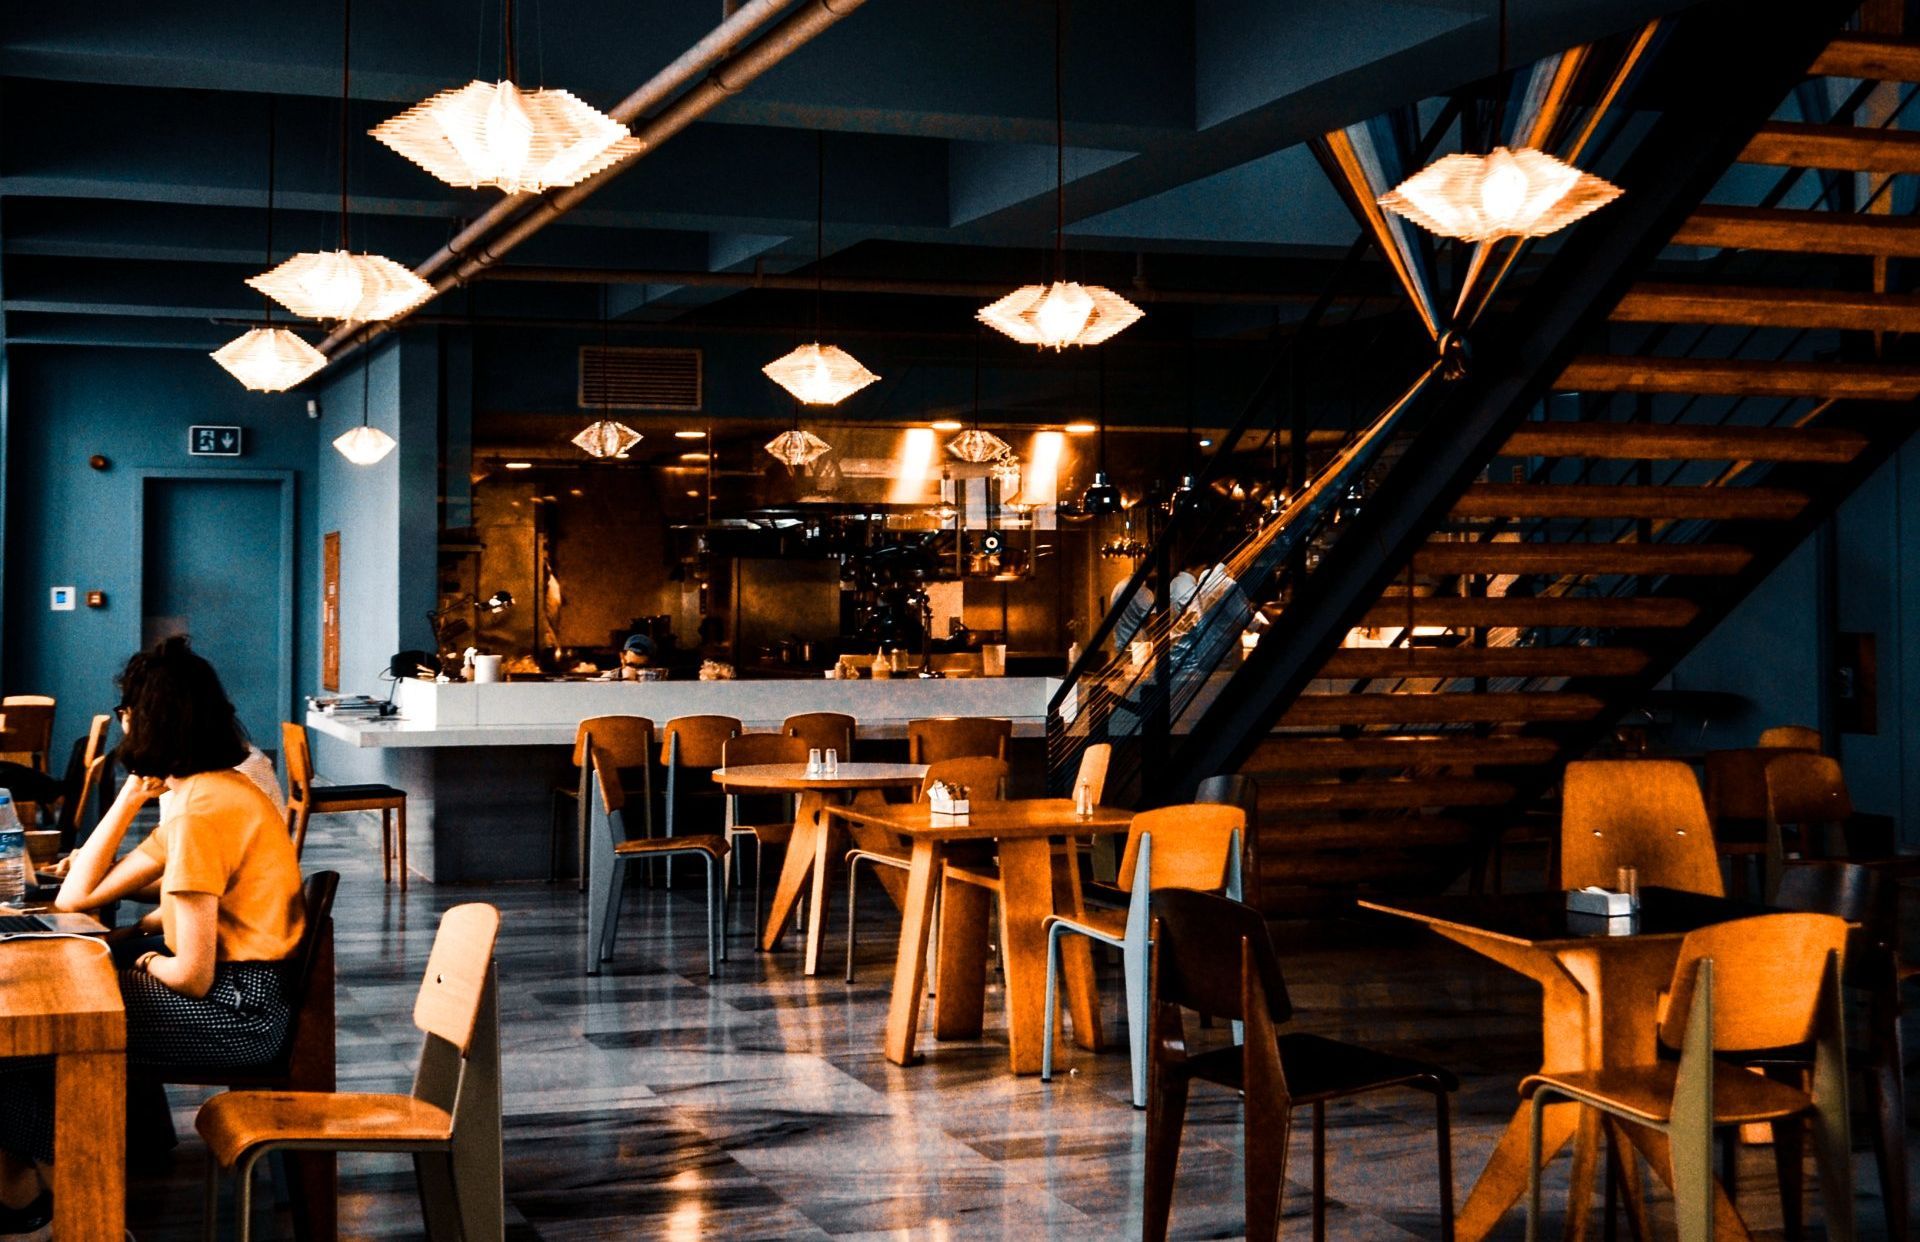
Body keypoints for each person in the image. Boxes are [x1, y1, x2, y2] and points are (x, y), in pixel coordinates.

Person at [0, 637, 305, 1233]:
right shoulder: (208, 792)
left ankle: (66, 1199)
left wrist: (145, 966)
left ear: (150, 718)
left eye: (127, 710)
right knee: (32, 1038)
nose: (121, 722)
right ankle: (51, 1191)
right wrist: (131, 794)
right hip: (244, 998)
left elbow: (191, 973)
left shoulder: (200, 812)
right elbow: (77, 897)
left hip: (238, 1014)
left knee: (42, 1034)